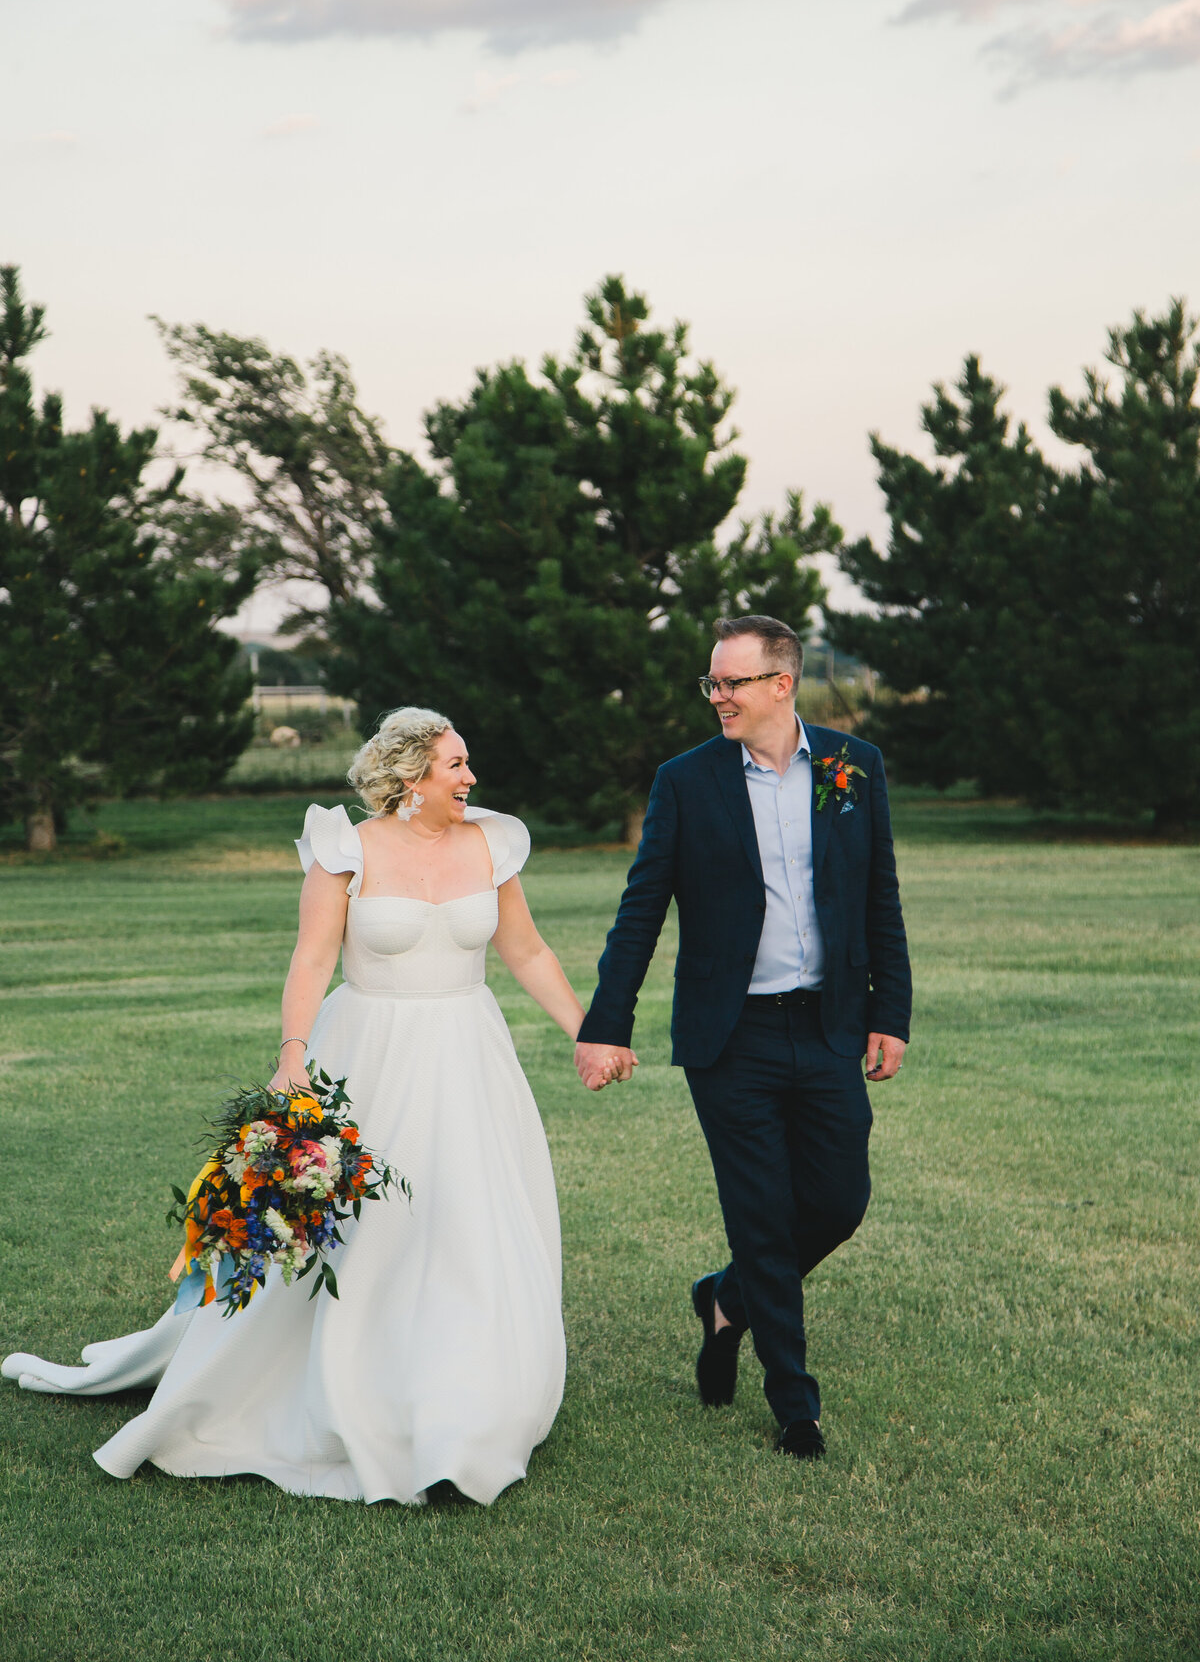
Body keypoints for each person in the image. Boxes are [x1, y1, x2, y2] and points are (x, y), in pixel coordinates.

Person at [3, 708, 602, 1505]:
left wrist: (588, 1035)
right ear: (409, 777)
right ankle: (336, 1380)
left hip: (468, 1055)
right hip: (367, 1056)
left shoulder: (494, 842)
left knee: (468, 1222)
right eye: (455, 766)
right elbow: (313, 956)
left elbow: (525, 948)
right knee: (363, 1231)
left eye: (467, 765)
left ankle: (468, 1410)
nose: (470, 779)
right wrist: (293, 1054)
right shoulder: (345, 848)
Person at [573, 616, 912, 1460]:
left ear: (781, 684)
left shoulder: (849, 767)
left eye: (732, 682)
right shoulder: (687, 781)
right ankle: (796, 1405)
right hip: (732, 1038)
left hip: (830, 1023)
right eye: (712, 683)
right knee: (761, 1213)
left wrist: (888, 1012)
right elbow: (642, 906)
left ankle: (725, 1301)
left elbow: (880, 896)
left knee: (838, 1201)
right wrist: (606, 1021)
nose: (717, 696)